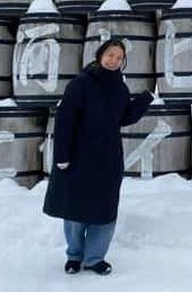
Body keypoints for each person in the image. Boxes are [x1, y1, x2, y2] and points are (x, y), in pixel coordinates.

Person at [43, 38, 154, 276]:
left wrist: (145, 98)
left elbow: (123, 118)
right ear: (100, 55)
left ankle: (95, 258)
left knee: (105, 211)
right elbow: (64, 120)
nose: (114, 60)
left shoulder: (120, 88)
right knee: (75, 209)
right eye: (110, 55)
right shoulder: (81, 84)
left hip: (108, 157)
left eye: (119, 57)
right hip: (79, 156)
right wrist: (62, 155)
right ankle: (74, 255)